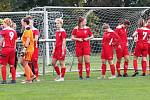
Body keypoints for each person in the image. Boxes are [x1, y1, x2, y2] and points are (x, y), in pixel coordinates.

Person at [0, 18, 17, 84]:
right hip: (12, 49)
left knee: (3, 65)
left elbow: (1, 41)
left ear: (6, 23)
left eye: (3, 23)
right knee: (12, 65)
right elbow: (15, 41)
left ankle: (4, 80)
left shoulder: (4, 31)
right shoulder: (14, 31)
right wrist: (14, 49)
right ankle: (13, 80)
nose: (3, 24)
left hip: (6, 49)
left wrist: (0, 47)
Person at [21, 17, 36, 83]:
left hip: (28, 49)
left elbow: (28, 39)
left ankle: (29, 79)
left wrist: (24, 48)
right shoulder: (27, 29)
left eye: (22, 22)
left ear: (24, 22)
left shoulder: (27, 29)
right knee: (22, 62)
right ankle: (32, 75)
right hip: (28, 48)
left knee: (25, 63)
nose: (21, 23)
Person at [26, 16, 40, 81]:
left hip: (34, 48)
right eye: (29, 22)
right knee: (28, 62)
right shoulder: (27, 30)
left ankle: (37, 77)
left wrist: (29, 40)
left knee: (34, 62)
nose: (30, 24)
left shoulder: (35, 30)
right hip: (28, 48)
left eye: (31, 22)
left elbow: (36, 39)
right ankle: (30, 77)